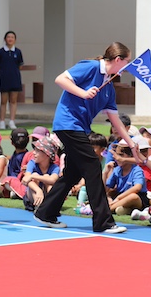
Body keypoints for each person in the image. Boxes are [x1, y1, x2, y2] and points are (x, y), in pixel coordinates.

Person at [34, 42, 137, 233]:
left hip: (80, 128)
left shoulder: (109, 88)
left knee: (73, 173)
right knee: (92, 166)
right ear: (117, 60)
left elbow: (116, 121)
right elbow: (60, 79)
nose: (128, 66)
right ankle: (103, 222)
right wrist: (84, 92)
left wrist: (132, 143)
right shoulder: (90, 67)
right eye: (127, 61)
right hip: (67, 124)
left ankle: (46, 212)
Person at [0, 31, 25, 130]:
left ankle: (12, 121)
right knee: (3, 101)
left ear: (15, 39)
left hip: (15, 79)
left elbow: (20, 65)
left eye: (12, 37)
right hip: (4, 79)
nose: (10, 39)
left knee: (13, 100)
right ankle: (2, 122)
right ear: (5, 39)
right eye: (8, 37)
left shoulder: (18, 52)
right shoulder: (0, 52)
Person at [22, 135, 61, 211]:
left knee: (47, 178)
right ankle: (38, 205)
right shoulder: (32, 163)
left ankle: (51, 204)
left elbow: (53, 180)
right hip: (32, 197)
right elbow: (26, 179)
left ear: (47, 154)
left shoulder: (55, 167)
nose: (33, 153)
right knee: (35, 177)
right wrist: (38, 190)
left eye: (37, 150)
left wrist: (34, 176)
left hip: (46, 196)